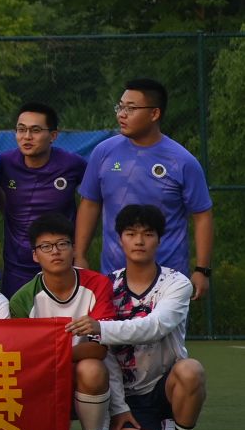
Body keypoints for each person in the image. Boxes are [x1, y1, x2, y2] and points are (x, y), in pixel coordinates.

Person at [73, 204, 206, 430]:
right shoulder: (105, 285)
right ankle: (117, 429)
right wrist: (119, 406)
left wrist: (102, 328)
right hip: (124, 391)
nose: (139, 241)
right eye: (131, 233)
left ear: (159, 239)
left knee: (191, 370)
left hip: (164, 385)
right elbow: (104, 353)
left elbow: (155, 327)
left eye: (148, 234)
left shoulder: (177, 283)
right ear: (119, 239)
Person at [77, 78, 215, 295]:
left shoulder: (182, 161)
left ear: (154, 114)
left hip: (168, 280)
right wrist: (80, 255)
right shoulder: (103, 152)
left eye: (131, 108)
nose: (121, 114)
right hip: (113, 277)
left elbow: (202, 215)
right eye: (120, 107)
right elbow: (90, 204)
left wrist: (202, 269)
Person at [8, 214, 118, 430]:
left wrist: (51, 355)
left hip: (80, 373)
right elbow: (25, 358)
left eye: (62, 244)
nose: (55, 252)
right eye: (46, 247)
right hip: (43, 377)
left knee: (92, 368)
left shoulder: (98, 285)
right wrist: (51, 358)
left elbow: (98, 349)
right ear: (35, 255)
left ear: (74, 249)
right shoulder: (22, 300)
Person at [0, 102, 85, 293]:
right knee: (18, 311)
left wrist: (80, 252)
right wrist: (9, 211)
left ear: (53, 135)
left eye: (35, 130)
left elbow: (92, 199)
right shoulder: (4, 163)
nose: (27, 136)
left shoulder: (73, 164)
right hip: (17, 266)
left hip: (61, 262)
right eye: (21, 129)